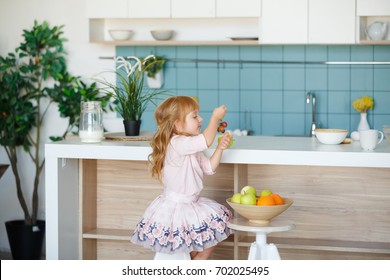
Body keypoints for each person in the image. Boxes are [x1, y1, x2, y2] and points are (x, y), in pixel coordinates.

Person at [131, 96, 234, 260]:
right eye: (195, 116)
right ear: (177, 124)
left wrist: (220, 149)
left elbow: (208, 168)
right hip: (177, 207)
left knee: (219, 221)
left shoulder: (189, 144)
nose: (200, 119)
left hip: (192, 204)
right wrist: (215, 118)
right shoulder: (177, 143)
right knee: (187, 245)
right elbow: (206, 140)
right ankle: (197, 259)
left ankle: (198, 258)